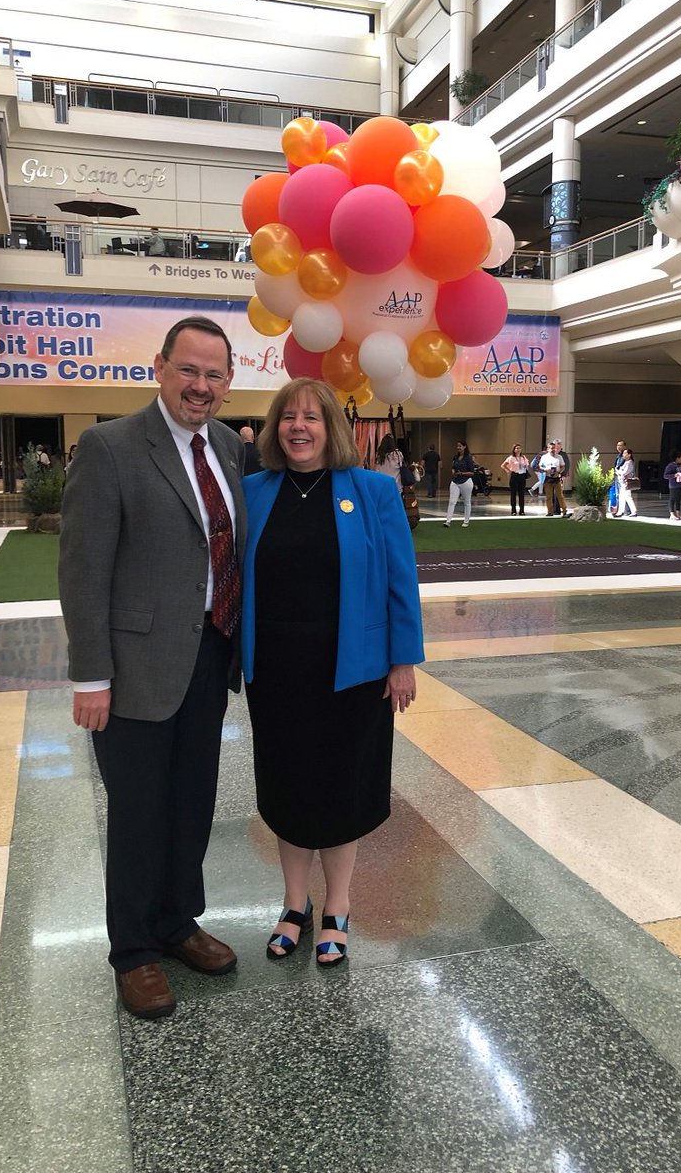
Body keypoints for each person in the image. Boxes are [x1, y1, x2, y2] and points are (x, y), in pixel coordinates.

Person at [58, 315, 246, 1020]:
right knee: (140, 811)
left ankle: (176, 923)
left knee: (192, 802)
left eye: (213, 375)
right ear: (160, 368)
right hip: (133, 668)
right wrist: (90, 676)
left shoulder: (229, 448)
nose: (200, 386)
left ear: (228, 383)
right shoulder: (109, 447)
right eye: (189, 370)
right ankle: (133, 951)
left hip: (209, 656)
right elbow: (82, 571)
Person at [241, 378, 424, 967]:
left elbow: (401, 580)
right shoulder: (254, 492)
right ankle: (295, 905)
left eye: (312, 418)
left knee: (340, 789)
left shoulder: (373, 491)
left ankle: (337, 907)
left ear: (332, 430)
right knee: (288, 788)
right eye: (288, 417)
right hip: (274, 674)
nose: (299, 427)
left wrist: (403, 660)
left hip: (354, 674)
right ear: (275, 428)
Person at [444, 441, 475, 527]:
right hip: (455, 481)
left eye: (460, 446)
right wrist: (453, 471)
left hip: (466, 482)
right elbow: (453, 467)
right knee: (452, 501)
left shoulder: (468, 458)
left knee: (467, 502)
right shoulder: (455, 457)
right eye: (457, 446)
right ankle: (448, 521)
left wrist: (462, 473)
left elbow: (472, 473)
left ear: (464, 447)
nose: (458, 448)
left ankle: (466, 521)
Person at [540, 440, 569, 517]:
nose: (553, 449)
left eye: (554, 448)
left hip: (556, 478)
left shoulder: (559, 457)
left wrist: (558, 472)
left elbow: (563, 466)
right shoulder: (544, 457)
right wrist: (545, 469)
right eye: (551, 448)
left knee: (560, 495)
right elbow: (540, 466)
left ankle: (564, 510)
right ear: (548, 449)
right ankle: (550, 511)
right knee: (549, 496)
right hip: (548, 478)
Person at [500, 444, 529, 515]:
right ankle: (513, 510)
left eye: (519, 448)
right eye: (517, 448)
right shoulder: (511, 458)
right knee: (513, 494)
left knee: (521, 494)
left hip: (522, 476)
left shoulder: (523, 457)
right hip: (514, 475)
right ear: (514, 450)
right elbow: (503, 465)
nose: (518, 450)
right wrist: (508, 470)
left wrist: (525, 466)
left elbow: (527, 465)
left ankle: (522, 510)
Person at [614, 447, 638, 518]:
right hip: (623, 482)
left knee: (624, 497)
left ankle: (621, 512)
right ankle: (632, 511)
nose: (623, 455)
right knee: (626, 497)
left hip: (626, 482)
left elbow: (625, 472)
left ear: (629, 455)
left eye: (625, 453)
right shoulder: (626, 462)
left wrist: (618, 471)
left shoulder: (630, 463)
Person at [663, 451, 681, 519]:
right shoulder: (671, 466)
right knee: (672, 499)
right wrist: (674, 475)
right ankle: (672, 513)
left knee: (678, 499)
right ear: (677, 458)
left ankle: (678, 513)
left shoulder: (680, 466)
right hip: (674, 485)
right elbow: (665, 475)